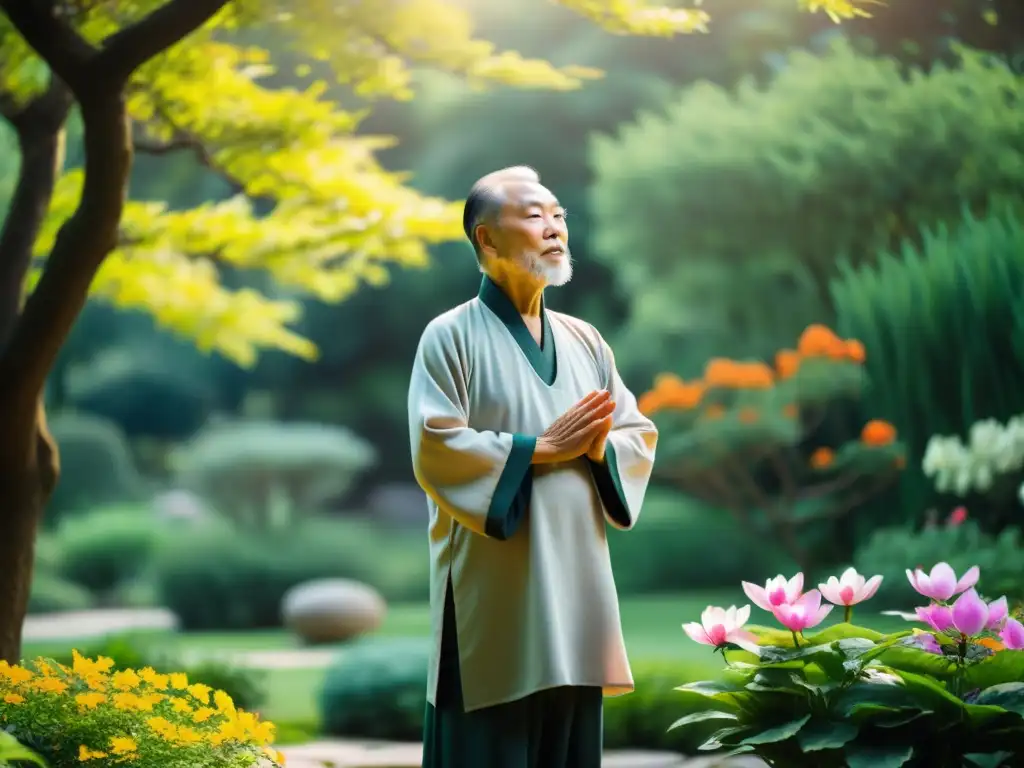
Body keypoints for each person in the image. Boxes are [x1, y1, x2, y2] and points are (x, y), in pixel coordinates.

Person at [407, 165, 658, 768]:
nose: (553, 228)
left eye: (558, 215)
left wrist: (598, 450)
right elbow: (434, 444)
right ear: (486, 240)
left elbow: (634, 433)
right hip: (493, 593)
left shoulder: (586, 340)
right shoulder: (449, 337)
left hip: (577, 587)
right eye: (533, 215)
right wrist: (538, 449)